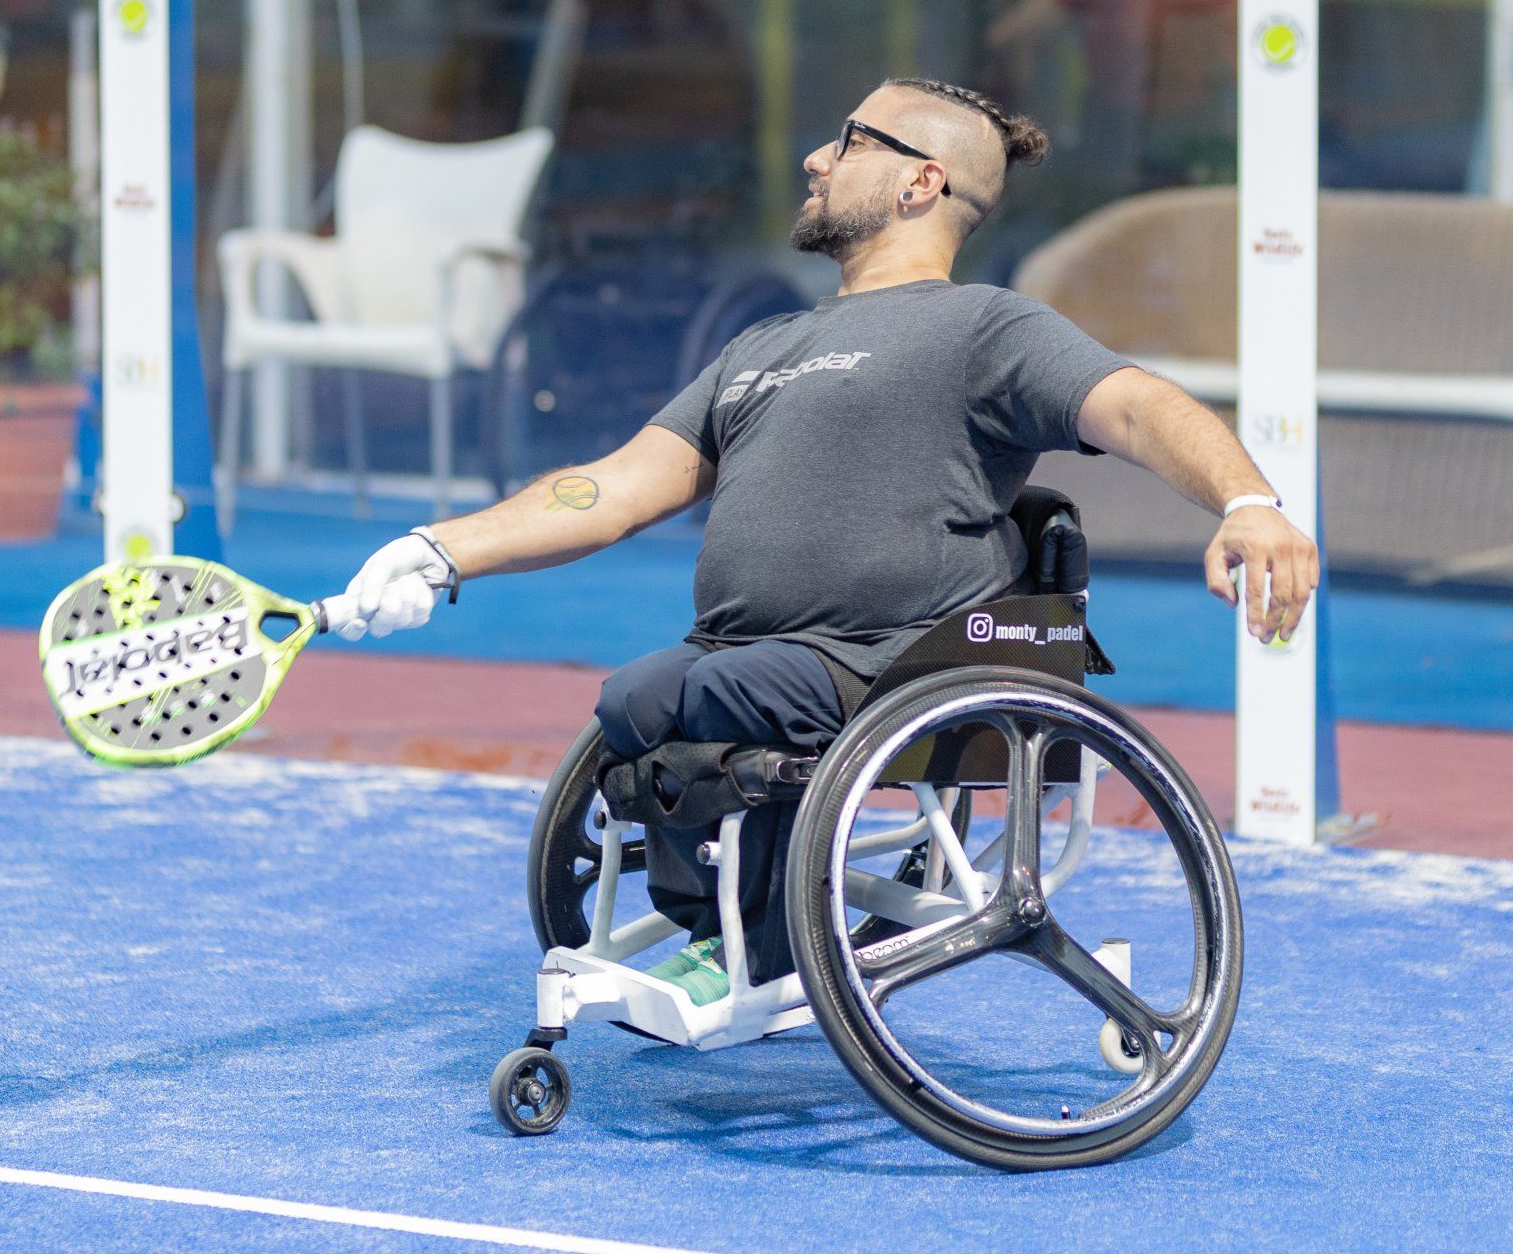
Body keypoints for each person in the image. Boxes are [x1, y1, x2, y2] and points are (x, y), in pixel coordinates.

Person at [333, 77, 1318, 1005]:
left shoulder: (988, 327)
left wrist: (1247, 501)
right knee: (642, 693)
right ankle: (721, 926)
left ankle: (752, 945)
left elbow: (1138, 405)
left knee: (712, 693)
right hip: (749, 656)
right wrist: (443, 549)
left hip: (886, 663)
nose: (815, 158)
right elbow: (616, 488)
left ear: (920, 182)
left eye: (848, 142)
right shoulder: (758, 347)